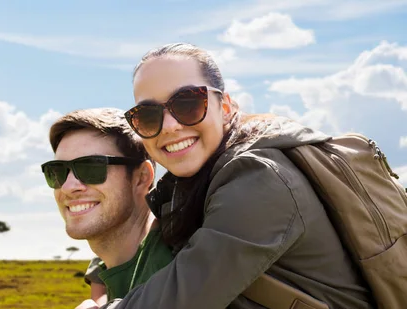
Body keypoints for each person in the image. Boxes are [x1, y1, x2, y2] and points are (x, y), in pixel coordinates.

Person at [76, 43, 376, 309]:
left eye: (188, 103)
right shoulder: (194, 185)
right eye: (148, 115)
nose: (168, 126)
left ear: (226, 106)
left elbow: (183, 297)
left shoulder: (260, 179)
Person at [40, 108, 175, 306]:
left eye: (91, 168)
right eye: (57, 171)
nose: (68, 187)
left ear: (141, 177)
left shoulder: (175, 271)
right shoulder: (121, 266)